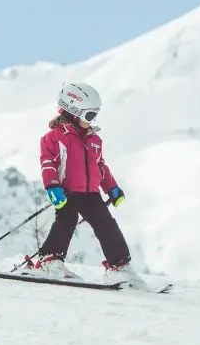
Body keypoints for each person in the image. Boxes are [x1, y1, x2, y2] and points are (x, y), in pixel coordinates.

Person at [19, 81, 146, 288]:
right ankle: (49, 261)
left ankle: (120, 267)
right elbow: (47, 162)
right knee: (66, 222)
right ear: (72, 111)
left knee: (107, 226)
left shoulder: (95, 139)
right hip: (67, 193)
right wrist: (52, 187)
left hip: (91, 195)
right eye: (89, 115)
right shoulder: (55, 137)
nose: (93, 120)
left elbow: (100, 166)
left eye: (95, 115)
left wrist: (111, 188)